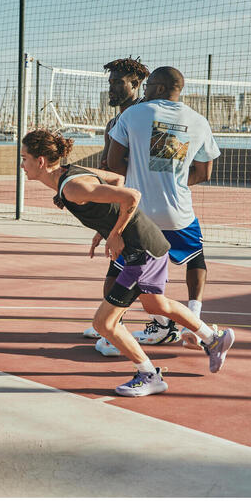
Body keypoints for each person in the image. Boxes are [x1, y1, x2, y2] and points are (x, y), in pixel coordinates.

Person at [21, 129, 234, 397]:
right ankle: (213, 339)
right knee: (155, 304)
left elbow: (131, 196)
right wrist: (106, 226)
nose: (22, 164)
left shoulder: (73, 187)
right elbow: (117, 179)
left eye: (25, 158)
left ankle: (149, 375)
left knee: (104, 324)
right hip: (149, 242)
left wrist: (115, 232)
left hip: (141, 252)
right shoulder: (71, 173)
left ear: (41, 161)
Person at [96, 65, 221, 355]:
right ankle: (194, 319)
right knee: (196, 258)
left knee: (118, 270)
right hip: (179, 212)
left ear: (161, 88)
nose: (146, 90)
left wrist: (139, 181)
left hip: (141, 213)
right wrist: (174, 181)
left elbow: (113, 165)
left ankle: (114, 331)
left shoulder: (132, 115)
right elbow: (204, 173)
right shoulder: (199, 121)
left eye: (150, 85)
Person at [80, 57, 150, 341]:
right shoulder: (114, 120)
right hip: (123, 205)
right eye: (109, 82)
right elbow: (106, 168)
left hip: (142, 206)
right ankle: (114, 326)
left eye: (117, 82)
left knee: (125, 276)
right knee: (123, 275)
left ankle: (116, 328)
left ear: (136, 84)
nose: (111, 88)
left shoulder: (145, 116)